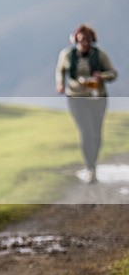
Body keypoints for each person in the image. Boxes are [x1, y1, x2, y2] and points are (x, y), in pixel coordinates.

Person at [55, 24, 118, 183]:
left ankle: (93, 164)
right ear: (76, 39)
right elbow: (60, 70)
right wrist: (60, 83)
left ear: (92, 40)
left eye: (87, 39)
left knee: (96, 133)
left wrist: (101, 77)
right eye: (82, 39)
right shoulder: (67, 54)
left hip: (97, 97)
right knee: (86, 131)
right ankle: (90, 167)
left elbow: (113, 74)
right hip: (76, 97)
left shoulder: (100, 55)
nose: (84, 42)